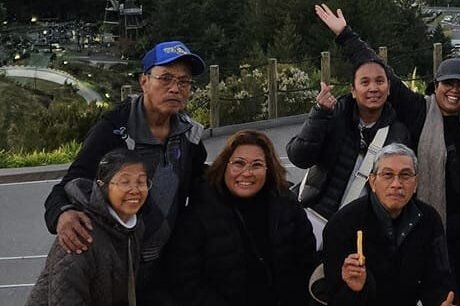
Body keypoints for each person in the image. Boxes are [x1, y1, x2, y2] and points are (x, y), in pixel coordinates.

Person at [315, 3, 460, 306]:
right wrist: (345, 35)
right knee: (414, 285)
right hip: (424, 223)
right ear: (435, 86)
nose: (454, 91)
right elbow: (383, 73)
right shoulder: (419, 112)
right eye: (447, 84)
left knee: (453, 292)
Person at [43, 40, 207, 304]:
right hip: (116, 267)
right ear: (144, 81)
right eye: (165, 78)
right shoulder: (114, 128)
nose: (175, 88)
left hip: (164, 268)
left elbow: (199, 186)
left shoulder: (189, 136)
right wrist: (62, 214)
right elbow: (70, 183)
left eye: (184, 81)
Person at [165, 130, 318, 306]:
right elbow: (185, 279)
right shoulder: (200, 210)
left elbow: (306, 264)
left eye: (257, 165)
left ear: (269, 168)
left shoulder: (287, 205)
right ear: (225, 165)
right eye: (239, 163)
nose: (247, 173)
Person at [286, 53, 411, 248]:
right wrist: (319, 113)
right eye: (365, 82)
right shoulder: (334, 115)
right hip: (314, 215)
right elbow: (299, 157)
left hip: (357, 229)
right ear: (353, 90)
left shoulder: (398, 133)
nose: (373, 88)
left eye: (380, 81)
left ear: (389, 89)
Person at [322, 143, 456, 306]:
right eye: (387, 175)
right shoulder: (343, 224)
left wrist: (441, 301)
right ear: (372, 182)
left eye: (405, 175)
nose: (396, 184)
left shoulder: (428, 219)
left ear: (416, 183)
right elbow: (333, 295)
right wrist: (355, 289)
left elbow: (439, 278)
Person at [28, 150, 150, 306]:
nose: (135, 190)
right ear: (102, 185)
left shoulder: (134, 228)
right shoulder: (78, 231)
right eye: (125, 182)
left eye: (141, 182)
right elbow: (65, 299)